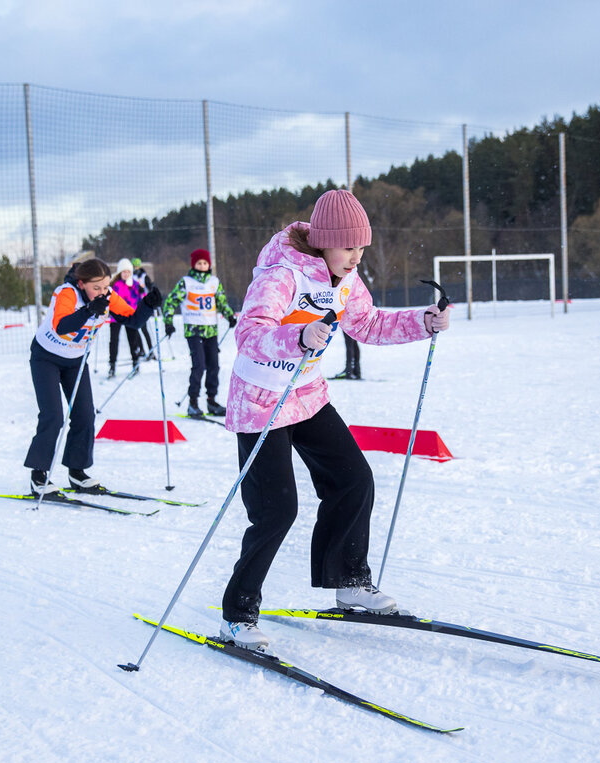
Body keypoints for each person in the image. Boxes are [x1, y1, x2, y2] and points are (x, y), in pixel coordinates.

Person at [218, 189, 451, 650]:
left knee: (354, 479)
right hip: (262, 400)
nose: (356, 257)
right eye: (349, 247)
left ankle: (349, 580)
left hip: (305, 395)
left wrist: (422, 322)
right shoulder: (281, 274)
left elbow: (368, 325)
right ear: (324, 240)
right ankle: (238, 614)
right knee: (276, 511)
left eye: (362, 248)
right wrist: (297, 335)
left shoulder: (345, 277)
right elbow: (249, 333)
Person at [24, 257, 163, 497]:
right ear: (81, 284)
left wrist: (148, 305)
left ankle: (77, 472)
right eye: (95, 288)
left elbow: (133, 320)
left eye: (105, 287)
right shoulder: (67, 293)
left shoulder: (107, 296)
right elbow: (62, 326)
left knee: (85, 415)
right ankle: (39, 475)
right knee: (53, 416)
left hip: (75, 362)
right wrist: (89, 310)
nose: (101, 292)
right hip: (46, 358)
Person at [162, 248, 238, 418]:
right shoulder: (186, 282)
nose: (202, 266)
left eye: (205, 263)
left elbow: (221, 301)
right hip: (193, 329)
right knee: (199, 366)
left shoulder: (214, 282)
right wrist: (168, 321)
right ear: (193, 264)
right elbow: (171, 301)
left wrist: (229, 316)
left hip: (211, 329)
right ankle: (193, 403)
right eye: (199, 263)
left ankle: (211, 400)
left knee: (214, 366)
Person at [107, 258, 146, 377]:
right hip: (116, 316)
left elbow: (142, 298)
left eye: (128, 272)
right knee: (114, 340)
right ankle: (112, 365)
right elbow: (110, 297)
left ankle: (135, 363)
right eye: (124, 272)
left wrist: (142, 291)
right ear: (120, 273)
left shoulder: (134, 284)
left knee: (133, 340)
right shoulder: (116, 284)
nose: (126, 274)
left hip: (130, 315)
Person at [131, 258, 156, 359]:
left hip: (142, 305)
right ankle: (141, 350)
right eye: (133, 267)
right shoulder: (131, 276)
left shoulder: (144, 276)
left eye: (136, 266)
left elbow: (150, 288)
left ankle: (151, 351)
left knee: (144, 329)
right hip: (133, 306)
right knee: (135, 329)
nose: (135, 268)